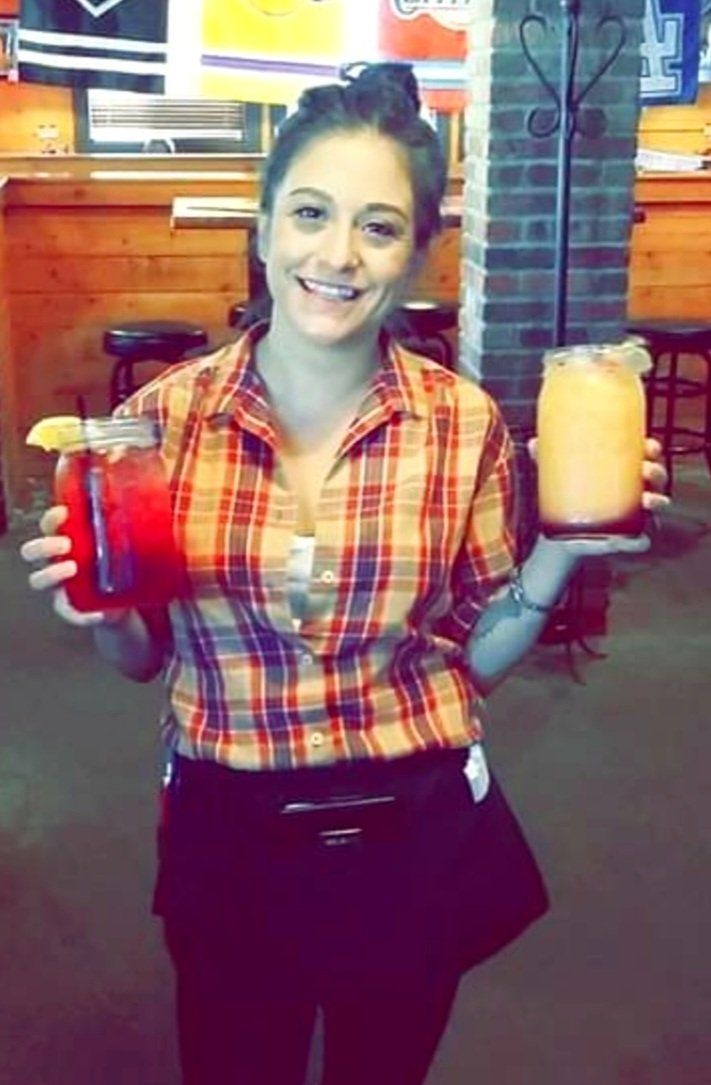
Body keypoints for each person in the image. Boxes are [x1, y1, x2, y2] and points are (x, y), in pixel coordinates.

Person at [21, 63, 669, 1085]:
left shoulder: (461, 426)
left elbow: (477, 657)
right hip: (228, 830)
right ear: (266, 227)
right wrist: (97, 606)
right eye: (311, 213)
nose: (336, 253)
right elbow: (141, 658)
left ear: (416, 250)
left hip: (412, 833)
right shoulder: (162, 425)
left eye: (377, 226)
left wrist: (560, 551)